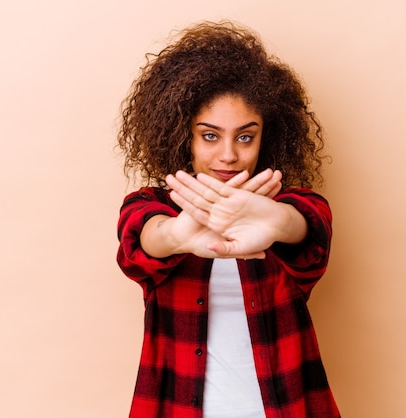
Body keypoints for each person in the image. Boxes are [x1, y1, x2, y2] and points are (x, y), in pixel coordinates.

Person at [116, 20, 340, 418]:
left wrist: (279, 223)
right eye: (209, 135)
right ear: (181, 134)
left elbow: (309, 230)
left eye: (244, 136)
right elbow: (141, 242)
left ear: (265, 138)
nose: (228, 155)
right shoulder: (153, 205)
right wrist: (179, 233)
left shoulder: (288, 204)